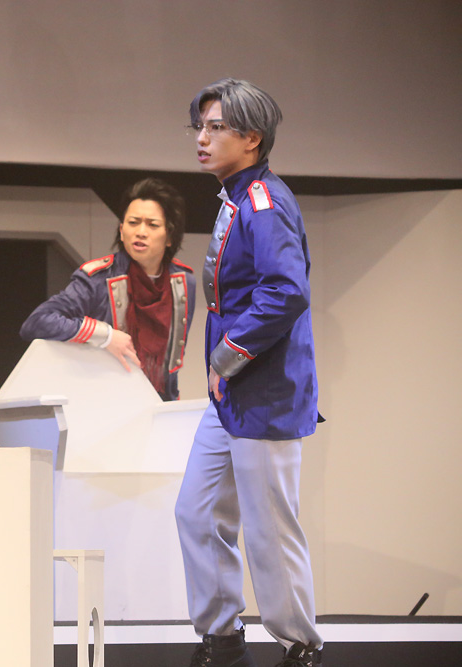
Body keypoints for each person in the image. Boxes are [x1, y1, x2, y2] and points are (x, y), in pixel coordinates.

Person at [174, 78, 324, 667]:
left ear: (251, 138)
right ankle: (221, 631)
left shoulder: (264, 200)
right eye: (200, 126)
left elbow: (286, 291)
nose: (202, 138)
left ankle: (301, 644)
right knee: (197, 510)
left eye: (216, 127)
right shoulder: (239, 195)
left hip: (264, 391)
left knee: (269, 528)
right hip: (233, 391)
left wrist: (225, 358)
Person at [19, 177, 196, 401]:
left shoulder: (183, 282)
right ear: (121, 231)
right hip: (102, 401)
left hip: (157, 403)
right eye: (133, 223)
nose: (141, 232)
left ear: (170, 236)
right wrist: (105, 335)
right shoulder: (98, 279)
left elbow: (170, 368)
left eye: (152, 225)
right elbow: (37, 322)